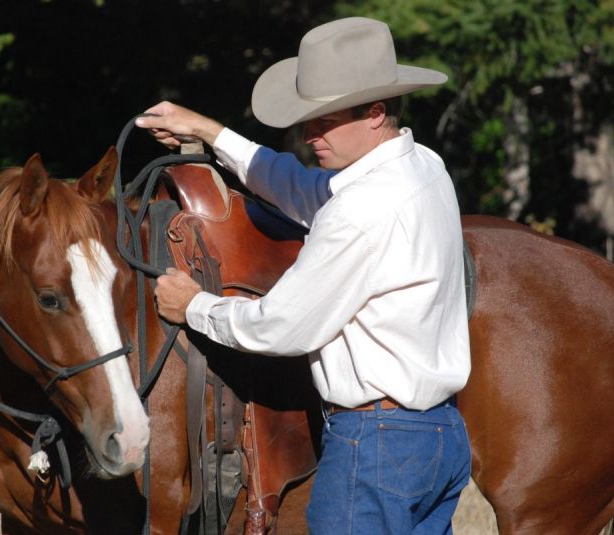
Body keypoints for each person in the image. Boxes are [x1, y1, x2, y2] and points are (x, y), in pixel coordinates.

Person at [135, 16, 471, 535]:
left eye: (324, 121)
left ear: (376, 113)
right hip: (438, 435)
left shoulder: (363, 209)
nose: (309, 135)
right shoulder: (423, 165)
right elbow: (306, 190)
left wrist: (194, 306)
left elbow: (282, 325)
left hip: (375, 441)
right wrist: (209, 131)